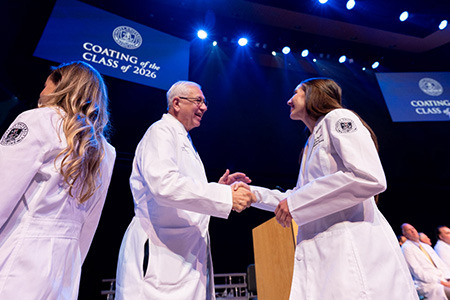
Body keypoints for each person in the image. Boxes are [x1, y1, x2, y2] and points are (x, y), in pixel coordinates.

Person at [247, 78, 418, 299]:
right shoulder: (310, 142)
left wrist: (296, 202)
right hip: (328, 251)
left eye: (296, 93)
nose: (289, 100)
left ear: (314, 94)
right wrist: (254, 195)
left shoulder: (338, 118)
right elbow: (300, 195)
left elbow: (368, 177)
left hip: (353, 246)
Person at [115, 80, 256, 300]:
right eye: (199, 100)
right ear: (177, 103)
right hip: (159, 254)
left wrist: (217, 189)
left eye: (205, 102)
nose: (205, 107)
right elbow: (164, 185)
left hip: (183, 256)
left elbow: (185, 192)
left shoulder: (184, 138)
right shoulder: (160, 132)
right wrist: (223, 196)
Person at [0, 61, 116, 299]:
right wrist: (73, 264)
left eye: (45, 86)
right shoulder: (106, 151)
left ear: (61, 86)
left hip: (20, 258)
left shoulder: (38, 119)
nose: (41, 93)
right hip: (66, 268)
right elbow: (90, 222)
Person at [401, 223, 450, 299]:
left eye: (413, 228)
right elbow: (417, 272)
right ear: (404, 234)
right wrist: (441, 281)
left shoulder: (426, 246)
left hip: (442, 279)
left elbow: (441, 264)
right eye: (408, 230)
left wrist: (448, 279)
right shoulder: (406, 248)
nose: (413, 231)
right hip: (428, 284)